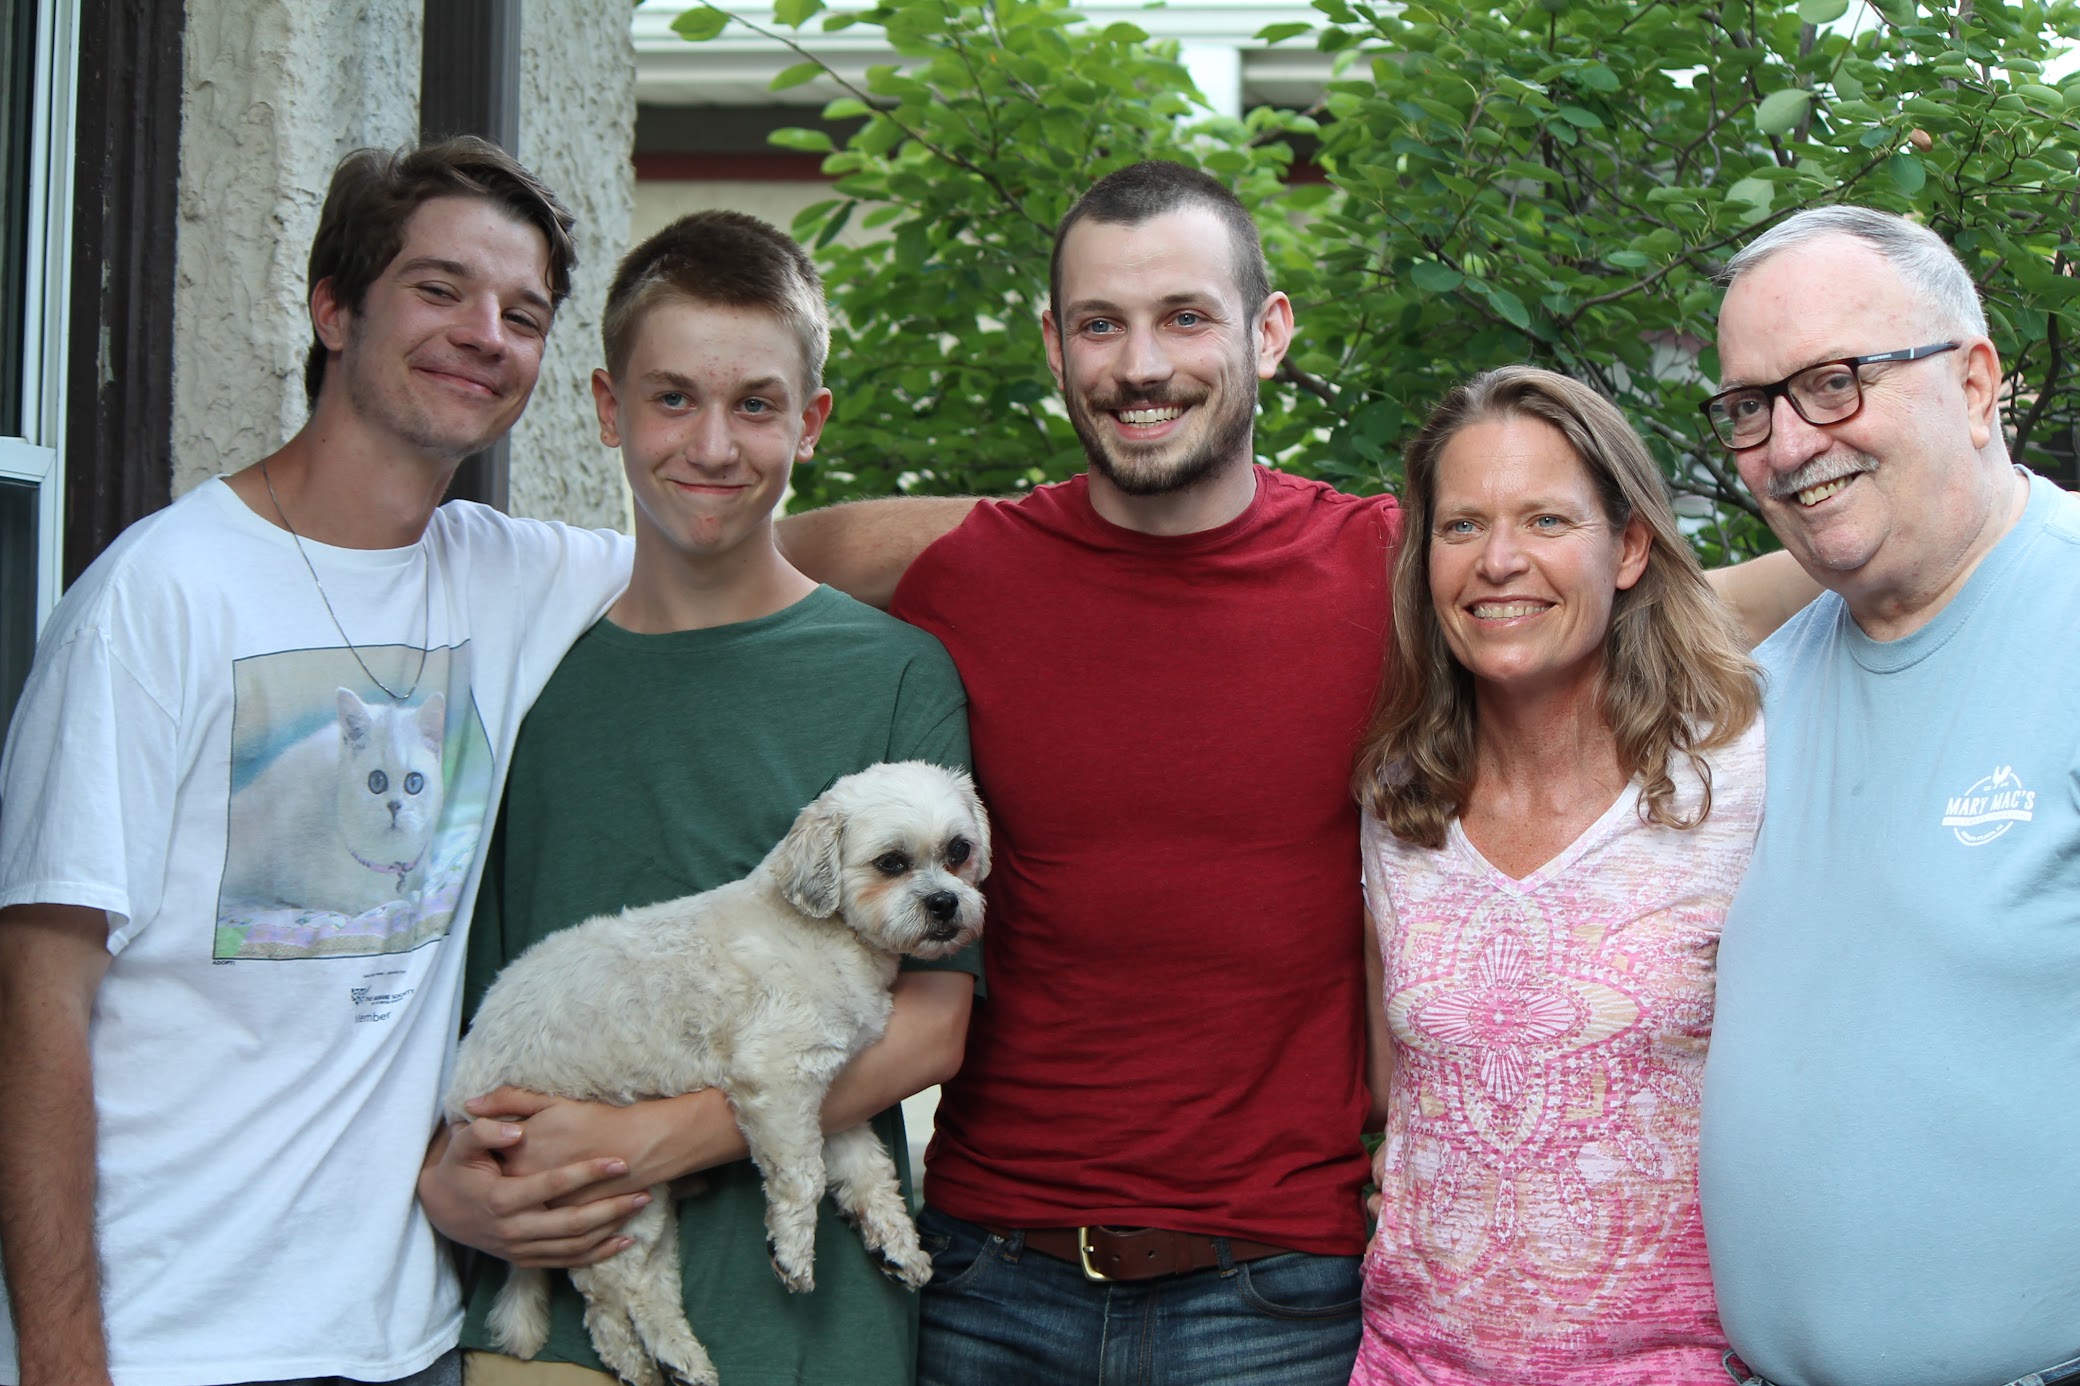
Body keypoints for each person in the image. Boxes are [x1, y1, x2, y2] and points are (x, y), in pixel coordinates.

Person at [776, 162, 1806, 1384]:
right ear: (1054, 347)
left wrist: (1947, 529)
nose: (1141, 365)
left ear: (1268, 333)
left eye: (1185, 317)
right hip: (992, 1273)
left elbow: (1658, 605)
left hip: (1270, 1291)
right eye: (1101, 325)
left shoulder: (1390, 570)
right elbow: (749, 565)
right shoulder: (969, 571)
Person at [0, 139, 638, 1386]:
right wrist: (63, 1356)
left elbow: (780, 558)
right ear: (334, 308)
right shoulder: (161, 592)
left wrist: (1074, 524)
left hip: (399, 1340)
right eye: (439, 289)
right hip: (166, 1342)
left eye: (523, 313)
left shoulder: (508, 575)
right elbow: (36, 996)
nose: (484, 334)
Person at [422, 210, 979, 1386]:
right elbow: (448, 984)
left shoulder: (894, 673)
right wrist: (442, 1176)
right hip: (558, 1310)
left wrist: (648, 1142)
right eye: (672, 399)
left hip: (817, 1330)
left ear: (811, 422)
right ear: (608, 408)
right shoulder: (522, 667)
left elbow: (932, 1021)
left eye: (757, 405)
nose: (715, 445)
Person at [1696, 206, 2080, 1386]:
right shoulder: (1763, 692)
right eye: (1749, 406)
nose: (1787, 445)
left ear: (1973, 384)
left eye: (1831, 382)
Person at [1348, 366, 1762, 1384]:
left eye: (1543, 520)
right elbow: (1397, 1102)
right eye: (1460, 527)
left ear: (1626, 547)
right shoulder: (1399, 803)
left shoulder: (1744, 778)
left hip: (1678, 1366)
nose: (1498, 562)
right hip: (1412, 1363)